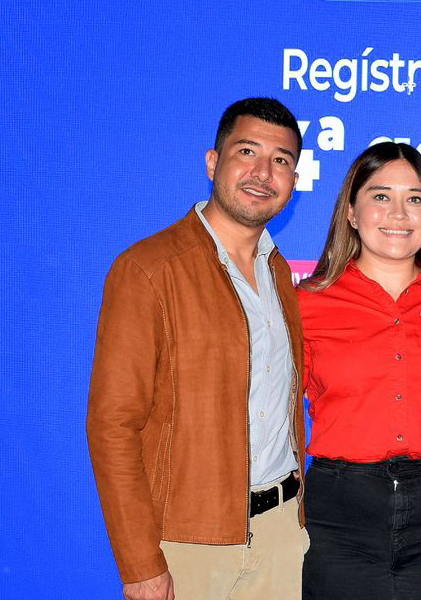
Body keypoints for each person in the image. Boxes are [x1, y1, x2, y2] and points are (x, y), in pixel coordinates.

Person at [87, 97, 308, 600]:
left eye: (280, 160)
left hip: (280, 534)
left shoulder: (279, 273)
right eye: (247, 152)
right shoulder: (148, 269)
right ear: (213, 162)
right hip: (186, 545)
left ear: (293, 180)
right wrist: (140, 563)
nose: (262, 173)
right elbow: (112, 425)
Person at [297, 141, 421, 600]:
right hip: (338, 519)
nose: (399, 213)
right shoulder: (306, 304)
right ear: (351, 212)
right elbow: (273, 412)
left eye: (414, 198)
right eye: (380, 196)